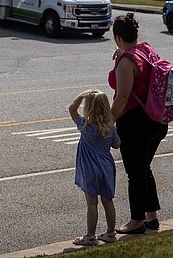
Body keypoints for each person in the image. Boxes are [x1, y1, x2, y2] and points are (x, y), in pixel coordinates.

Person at [108, 13, 169, 235]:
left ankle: (136, 221)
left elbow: (122, 97)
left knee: (135, 173)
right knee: (144, 168)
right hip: (157, 120)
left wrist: (108, 122)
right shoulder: (146, 49)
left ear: (117, 37)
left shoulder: (126, 62)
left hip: (136, 124)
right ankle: (151, 217)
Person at [69, 90, 121, 246]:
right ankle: (111, 233)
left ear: (88, 108)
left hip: (90, 168)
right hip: (106, 167)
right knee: (108, 200)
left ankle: (90, 236)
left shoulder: (84, 124)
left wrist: (81, 96)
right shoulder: (110, 126)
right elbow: (117, 144)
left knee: (92, 203)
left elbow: (72, 109)